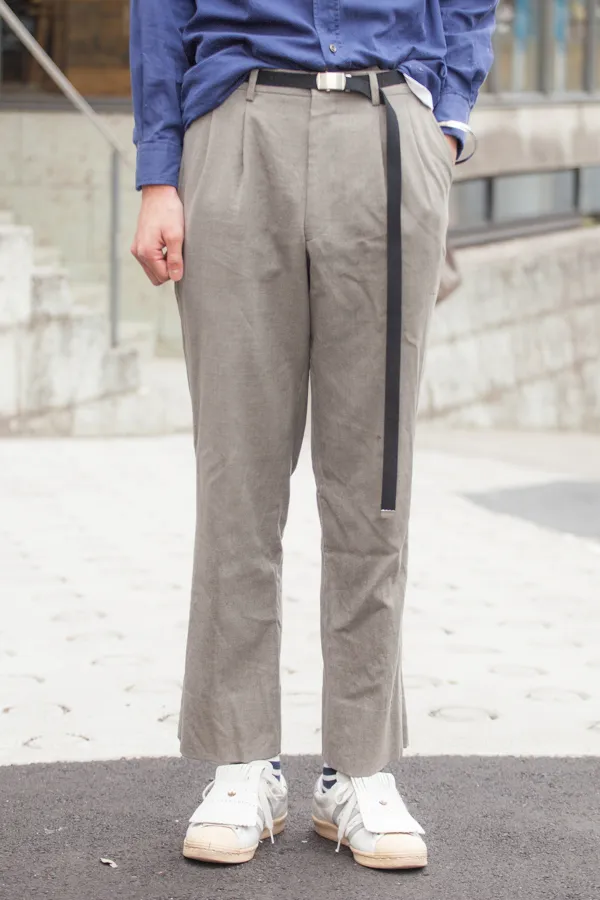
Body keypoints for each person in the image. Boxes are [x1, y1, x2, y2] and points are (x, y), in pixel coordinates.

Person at [130, 0, 497, 871]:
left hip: (386, 128)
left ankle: (359, 770)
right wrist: (157, 172)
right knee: (237, 477)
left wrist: (445, 119)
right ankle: (241, 762)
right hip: (237, 127)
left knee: (375, 482)